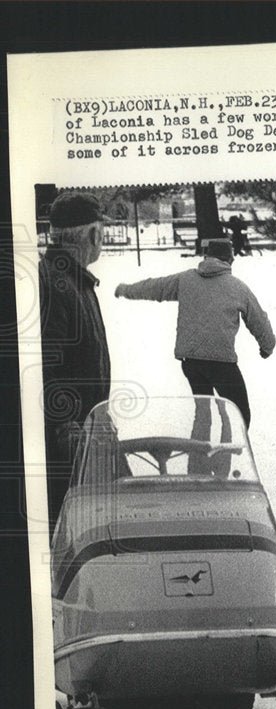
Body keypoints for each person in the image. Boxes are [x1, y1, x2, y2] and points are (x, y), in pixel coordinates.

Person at [115, 238, 274, 429]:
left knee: (203, 413)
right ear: (230, 260)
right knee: (239, 413)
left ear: (207, 257)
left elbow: (155, 287)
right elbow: (259, 319)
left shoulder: (185, 280)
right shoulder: (238, 287)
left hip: (191, 362)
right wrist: (267, 347)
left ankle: (199, 454)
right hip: (222, 363)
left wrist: (126, 290)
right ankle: (231, 453)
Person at [39, 191, 113, 538]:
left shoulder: (73, 281)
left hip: (84, 439)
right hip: (66, 449)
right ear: (92, 235)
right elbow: (44, 364)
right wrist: (64, 425)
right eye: (101, 232)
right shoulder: (57, 285)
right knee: (65, 536)